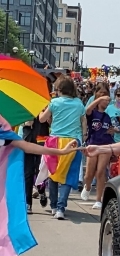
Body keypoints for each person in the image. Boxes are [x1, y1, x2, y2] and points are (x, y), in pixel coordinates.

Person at [38, 76, 86, 220]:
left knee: (53, 174)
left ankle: (53, 206)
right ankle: (61, 208)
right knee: (69, 176)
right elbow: (84, 124)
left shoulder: (53, 103)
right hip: (73, 142)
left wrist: (42, 111)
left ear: (58, 89)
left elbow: (41, 119)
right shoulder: (79, 104)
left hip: (55, 141)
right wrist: (83, 139)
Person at [81, 89, 115, 209]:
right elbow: (87, 110)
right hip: (93, 144)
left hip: (105, 145)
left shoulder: (107, 117)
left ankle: (98, 200)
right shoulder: (92, 114)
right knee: (89, 174)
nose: (107, 103)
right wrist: (100, 98)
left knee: (101, 172)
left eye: (107, 101)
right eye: (105, 100)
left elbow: (109, 130)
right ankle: (88, 186)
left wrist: (112, 131)